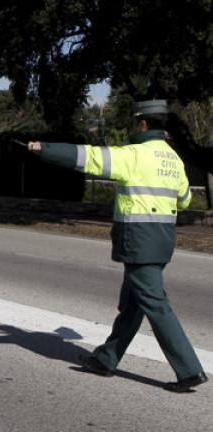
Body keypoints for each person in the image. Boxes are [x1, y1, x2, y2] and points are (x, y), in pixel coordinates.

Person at [27, 100, 207, 393]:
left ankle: (189, 370)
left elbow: (89, 157)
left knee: (155, 304)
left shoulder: (133, 155)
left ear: (143, 124)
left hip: (139, 240)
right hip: (162, 239)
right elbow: (185, 199)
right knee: (134, 303)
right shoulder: (174, 159)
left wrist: (44, 149)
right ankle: (106, 359)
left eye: (135, 122)